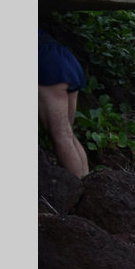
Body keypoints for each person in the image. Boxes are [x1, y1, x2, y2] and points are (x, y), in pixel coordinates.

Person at [39, 29, 89, 178]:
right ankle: (86, 183)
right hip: (64, 56)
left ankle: (79, 190)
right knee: (67, 133)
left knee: (60, 134)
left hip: (46, 62)